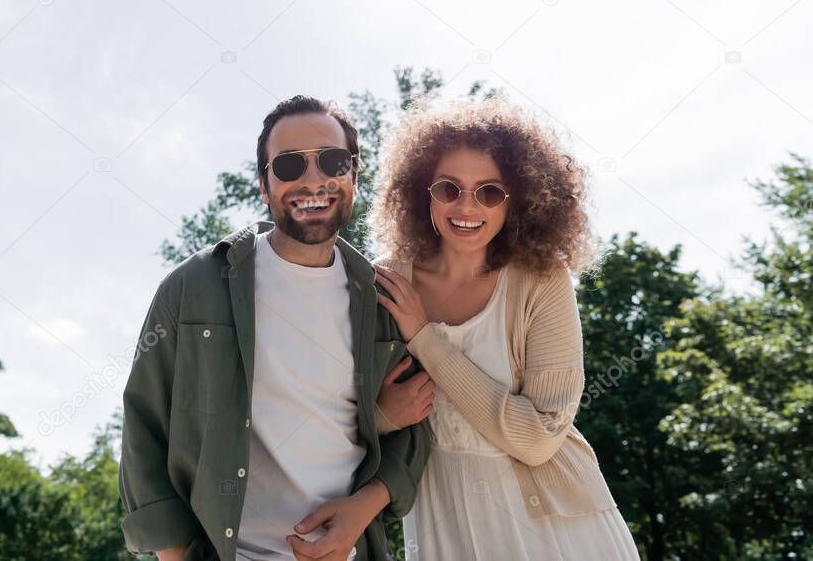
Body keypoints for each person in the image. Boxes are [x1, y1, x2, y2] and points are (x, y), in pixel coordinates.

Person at [118, 95, 433, 561]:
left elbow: (417, 428)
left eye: (332, 161)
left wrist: (364, 507)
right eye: (288, 166)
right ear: (264, 185)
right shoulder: (194, 287)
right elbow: (144, 426)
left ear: (353, 176)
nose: (313, 180)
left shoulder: (386, 300)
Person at [369, 98, 640, 560]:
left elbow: (538, 439)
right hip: (441, 524)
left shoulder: (542, 279)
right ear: (422, 191)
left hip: (558, 531)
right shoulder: (384, 282)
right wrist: (384, 418)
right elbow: (345, 421)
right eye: (448, 188)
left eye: (489, 191)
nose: (467, 206)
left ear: (520, 197)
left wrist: (424, 338)